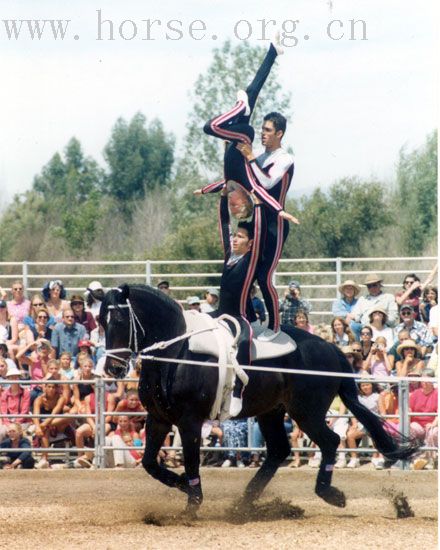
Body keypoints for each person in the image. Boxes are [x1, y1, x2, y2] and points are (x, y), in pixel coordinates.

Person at [195, 39, 299, 341]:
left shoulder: (284, 159)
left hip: (275, 224)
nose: (263, 135)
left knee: (264, 278)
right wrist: (215, 188)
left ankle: (276, 329)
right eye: (263, 130)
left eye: (268, 131)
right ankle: (250, 318)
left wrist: (251, 158)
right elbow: (242, 180)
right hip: (257, 217)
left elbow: (264, 184)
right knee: (246, 272)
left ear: (279, 134)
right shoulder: (263, 155)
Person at [212, 186, 265, 416]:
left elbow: (260, 232)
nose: (234, 239)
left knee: (243, 342)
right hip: (221, 313)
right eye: (235, 236)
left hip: (241, 317)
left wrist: (257, 203)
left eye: (241, 237)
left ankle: (237, 392)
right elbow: (224, 224)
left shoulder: (250, 260)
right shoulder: (229, 257)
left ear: (250, 244)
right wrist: (223, 197)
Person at [32, 378, 72, 469]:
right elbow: (35, 414)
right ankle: (44, 459)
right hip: (45, 426)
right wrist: (38, 427)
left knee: (69, 416)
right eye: (49, 386)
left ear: (56, 388)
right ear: (45, 388)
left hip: (57, 423)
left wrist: (43, 424)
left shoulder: (60, 398)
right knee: (44, 430)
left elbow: (54, 413)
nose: (51, 389)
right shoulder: (39, 399)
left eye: (53, 387)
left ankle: (44, 459)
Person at [347, 273, 398, 340]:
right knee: (353, 325)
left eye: (374, 285)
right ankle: (357, 347)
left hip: (383, 326)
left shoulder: (388, 297)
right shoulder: (363, 299)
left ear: (379, 285)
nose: (372, 288)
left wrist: (379, 320)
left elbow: (393, 317)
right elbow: (356, 315)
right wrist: (351, 317)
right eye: (369, 286)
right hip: (365, 327)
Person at [346, 379, 383, 469]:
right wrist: (354, 423)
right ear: (360, 387)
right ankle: (354, 459)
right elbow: (352, 412)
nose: (365, 387)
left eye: (367, 385)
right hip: (361, 423)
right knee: (350, 435)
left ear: (371, 385)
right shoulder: (358, 398)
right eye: (363, 385)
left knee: (376, 433)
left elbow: (382, 412)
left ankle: (375, 458)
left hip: (374, 421)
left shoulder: (377, 396)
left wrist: (378, 422)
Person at [409, 368, 438, 470]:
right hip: (417, 423)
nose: (424, 383)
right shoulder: (415, 393)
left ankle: (431, 460)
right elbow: (409, 409)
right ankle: (413, 457)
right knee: (411, 428)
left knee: (433, 432)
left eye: (427, 380)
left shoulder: (437, 393)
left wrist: (434, 423)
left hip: (431, 423)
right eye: (422, 380)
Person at [0, 363, 31, 443]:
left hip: (22, 422)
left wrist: (15, 424)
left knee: (20, 432)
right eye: (12, 377)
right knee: (1, 432)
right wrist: (8, 425)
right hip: (7, 423)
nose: (14, 379)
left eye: (16, 377)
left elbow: (24, 411)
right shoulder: (4, 394)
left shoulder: (26, 393)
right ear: (8, 379)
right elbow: (3, 412)